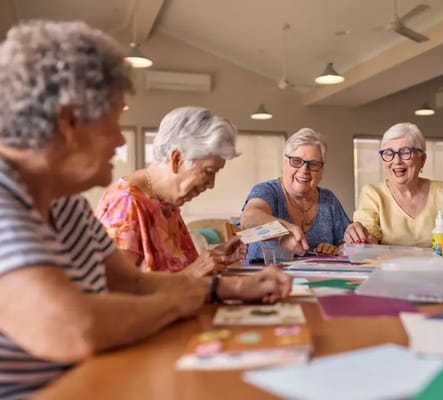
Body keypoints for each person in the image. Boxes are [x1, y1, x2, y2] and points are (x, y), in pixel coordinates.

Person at [0, 20, 291, 398]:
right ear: (69, 121)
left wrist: (228, 288)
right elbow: (71, 328)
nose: (121, 138)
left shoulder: (64, 200)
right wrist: (180, 298)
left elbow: (133, 282)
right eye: (115, 118)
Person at [95, 106, 246, 274]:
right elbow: (114, 290)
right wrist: (192, 274)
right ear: (177, 159)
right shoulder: (125, 204)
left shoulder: (166, 204)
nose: (211, 184)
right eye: (208, 171)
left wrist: (218, 255)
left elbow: (180, 271)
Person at [345, 123, 443, 254]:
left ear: (422, 159)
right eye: (388, 153)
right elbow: (369, 236)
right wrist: (360, 235)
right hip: (390, 273)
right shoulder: (372, 193)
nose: (396, 161)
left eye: (405, 152)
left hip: (438, 272)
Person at [240, 128, 350, 259]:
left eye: (313, 164)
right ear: (283, 163)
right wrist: (283, 233)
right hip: (264, 276)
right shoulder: (267, 190)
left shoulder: (328, 200)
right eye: (296, 161)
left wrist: (335, 249)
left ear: (321, 169)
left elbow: (345, 243)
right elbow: (249, 218)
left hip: (316, 277)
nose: (304, 170)